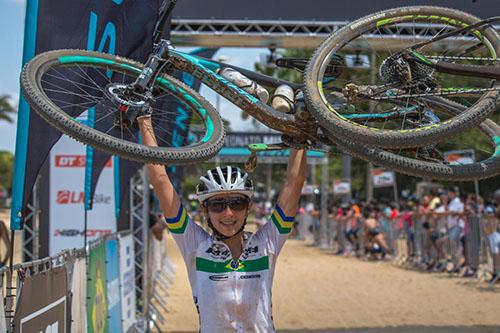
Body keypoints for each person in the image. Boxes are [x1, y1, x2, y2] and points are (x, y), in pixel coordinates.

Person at [138, 116, 307, 332]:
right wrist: (145, 119)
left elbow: (294, 183)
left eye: (236, 203)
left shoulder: (266, 244)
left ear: (248, 207)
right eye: (217, 205)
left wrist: (300, 135)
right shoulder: (195, 245)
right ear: (204, 210)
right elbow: (160, 180)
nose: (228, 213)